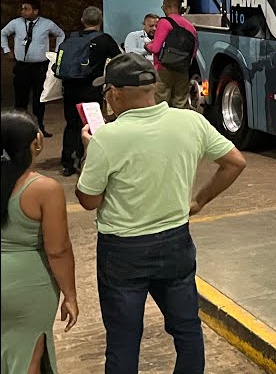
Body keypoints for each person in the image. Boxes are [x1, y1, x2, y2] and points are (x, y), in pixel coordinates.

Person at [76, 53, 247, 374]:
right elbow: (235, 162)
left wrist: (89, 151)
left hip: (123, 252)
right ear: (153, 86)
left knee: (124, 338)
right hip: (175, 243)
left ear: (115, 93)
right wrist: (199, 201)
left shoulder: (107, 137)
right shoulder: (191, 121)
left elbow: (88, 200)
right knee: (187, 329)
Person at [2, 111, 79, 374]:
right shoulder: (44, 189)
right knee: (28, 357)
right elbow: (58, 250)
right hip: (27, 286)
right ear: (36, 141)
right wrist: (70, 294)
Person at [57, 7, 120, 176]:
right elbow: (119, 59)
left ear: (82, 21)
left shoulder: (71, 37)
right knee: (91, 124)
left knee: (71, 124)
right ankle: (89, 160)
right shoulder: (104, 39)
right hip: (91, 89)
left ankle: (67, 162)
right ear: (101, 21)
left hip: (70, 87)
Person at [1, 0, 66, 137]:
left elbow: (60, 34)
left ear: (35, 11)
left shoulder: (47, 24)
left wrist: (56, 52)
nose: (23, 11)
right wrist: (6, 50)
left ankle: (39, 127)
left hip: (40, 67)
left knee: (39, 98)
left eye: (26, 9)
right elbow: (3, 33)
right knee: (20, 99)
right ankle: (19, 128)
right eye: (22, 9)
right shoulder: (16, 23)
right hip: (22, 67)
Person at [145, 0, 197, 109]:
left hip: (164, 69)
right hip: (183, 70)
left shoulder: (164, 22)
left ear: (166, 7)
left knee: (162, 104)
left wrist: (148, 45)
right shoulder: (190, 26)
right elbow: (193, 53)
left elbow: (156, 48)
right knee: (181, 103)